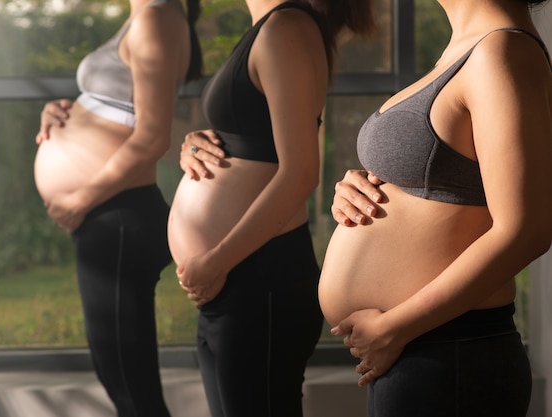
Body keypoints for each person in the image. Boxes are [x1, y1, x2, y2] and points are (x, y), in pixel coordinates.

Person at [321, 0, 552, 416]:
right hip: (424, 352)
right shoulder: (468, 48)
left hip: (448, 352)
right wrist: (359, 188)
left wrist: (395, 327)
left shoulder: (502, 51)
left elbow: (527, 228)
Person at [167, 1, 374, 416]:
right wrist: (197, 142)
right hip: (234, 282)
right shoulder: (271, 27)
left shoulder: (287, 27)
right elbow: (255, 135)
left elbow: (300, 174)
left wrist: (216, 261)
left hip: (256, 281)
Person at [32, 0, 202, 416]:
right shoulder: (144, 16)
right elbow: (124, 109)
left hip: (118, 217)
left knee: (130, 385)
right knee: (120, 375)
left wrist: (79, 200)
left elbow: (152, 138)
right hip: (111, 217)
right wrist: (65, 109)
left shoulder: (156, 16)